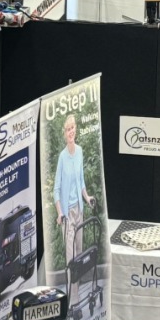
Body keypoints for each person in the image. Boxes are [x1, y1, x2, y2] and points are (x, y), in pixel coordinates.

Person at [53, 114, 94, 267]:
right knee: (71, 259)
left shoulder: (80, 151)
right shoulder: (62, 158)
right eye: (67, 129)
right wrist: (59, 213)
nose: (70, 132)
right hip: (67, 215)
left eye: (72, 128)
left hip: (79, 209)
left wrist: (87, 197)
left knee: (80, 253)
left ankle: (76, 291)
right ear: (64, 134)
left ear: (75, 129)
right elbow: (55, 190)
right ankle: (72, 292)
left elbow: (81, 180)